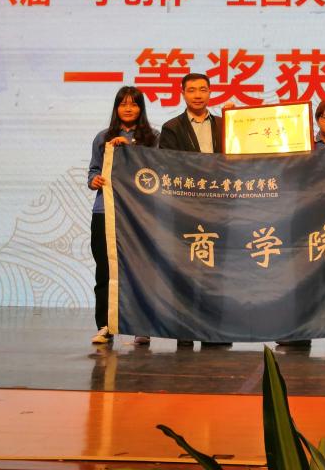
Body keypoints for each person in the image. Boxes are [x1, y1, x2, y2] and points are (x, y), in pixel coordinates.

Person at [158, 73, 229, 348]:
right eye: (192, 90)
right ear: (183, 93)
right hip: (186, 209)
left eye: (203, 89)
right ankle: (185, 330)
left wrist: (238, 122)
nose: (198, 95)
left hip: (220, 207)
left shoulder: (224, 124)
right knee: (185, 270)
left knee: (216, 270)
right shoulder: (171, 127)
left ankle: (214, 332)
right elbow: (168, 166)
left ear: (210, 92)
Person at [276, 98, 325, 351]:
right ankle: (300, 332)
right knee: (302, 276)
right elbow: (286, 172)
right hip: (304, 218)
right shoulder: (303, 143)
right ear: (317, 119)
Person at [87, 85, 158, 346]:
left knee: (141, 269)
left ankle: (142, 327)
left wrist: (130, 150)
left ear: (141, 108)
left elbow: (158, 172)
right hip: (105, 211)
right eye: (123, 103)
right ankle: (105, 326)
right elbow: (93, 171)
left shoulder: (153, 137)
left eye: (134, 104)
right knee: (105, 270)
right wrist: (94, 180)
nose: (128, 109)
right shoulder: (103, 137)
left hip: (140, 214)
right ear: (116, 108)